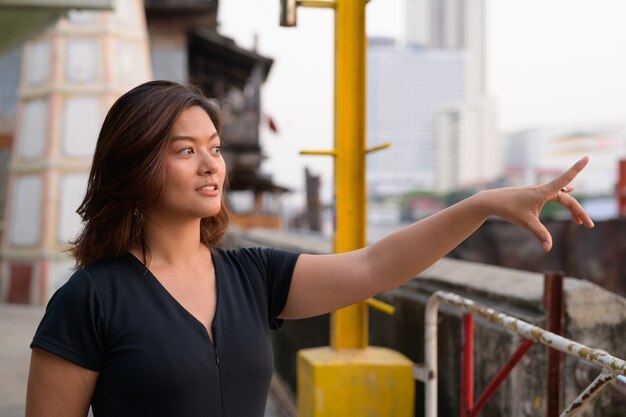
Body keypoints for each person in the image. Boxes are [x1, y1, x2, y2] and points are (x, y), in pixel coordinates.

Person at [25, 80, 594, 417]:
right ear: (137, 164)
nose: (210, 165)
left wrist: (484, 204)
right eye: (184, 150)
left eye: (215, 147)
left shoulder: (252, 276)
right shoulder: (90, 300)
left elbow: (375, 265)